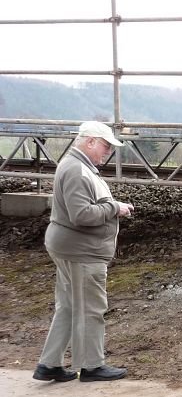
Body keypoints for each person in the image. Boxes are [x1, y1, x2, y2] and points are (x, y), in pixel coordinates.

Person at [33, 121, 132, 383]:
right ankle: (91, 366)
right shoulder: (77, 169)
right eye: (105, 147)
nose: (107, 153)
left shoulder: (78, 166)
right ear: (89, 142)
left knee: (67, 306)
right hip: (82, 251)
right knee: (91, 308)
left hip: (69, 247)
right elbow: (81, 214)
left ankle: (50, 363)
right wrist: (114, 208)